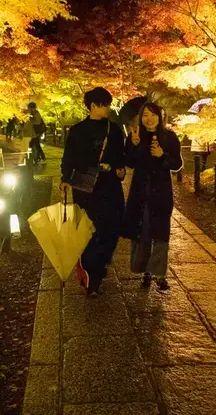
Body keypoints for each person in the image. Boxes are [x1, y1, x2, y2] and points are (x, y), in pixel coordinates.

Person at [60, 87, 126, 295]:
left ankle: (101, 261)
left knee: (113, 226)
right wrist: (65, 178)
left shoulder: (114, 130)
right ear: (93, 106)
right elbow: (69, 156)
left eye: (108, 104)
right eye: (104, 104)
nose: (107, 108)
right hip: (84, 185)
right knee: (90, 228)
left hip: (110, 184)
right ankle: (91, 274)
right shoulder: (78, 130)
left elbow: (120, 156)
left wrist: (117, 167)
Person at [124, 102, 183, 291]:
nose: (149, 119)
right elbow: (130, 163)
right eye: (145, 115)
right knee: (143, 230)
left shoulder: (170, 137)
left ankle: (159, 274)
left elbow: (177, 163)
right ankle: (144, 271)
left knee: (160, 233)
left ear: (160, 117)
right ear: (141, 118)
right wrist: (132, 146)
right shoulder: (135, 136)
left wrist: (162, 155)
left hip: (161, 192)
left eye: (153, 115)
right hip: (140, 192)